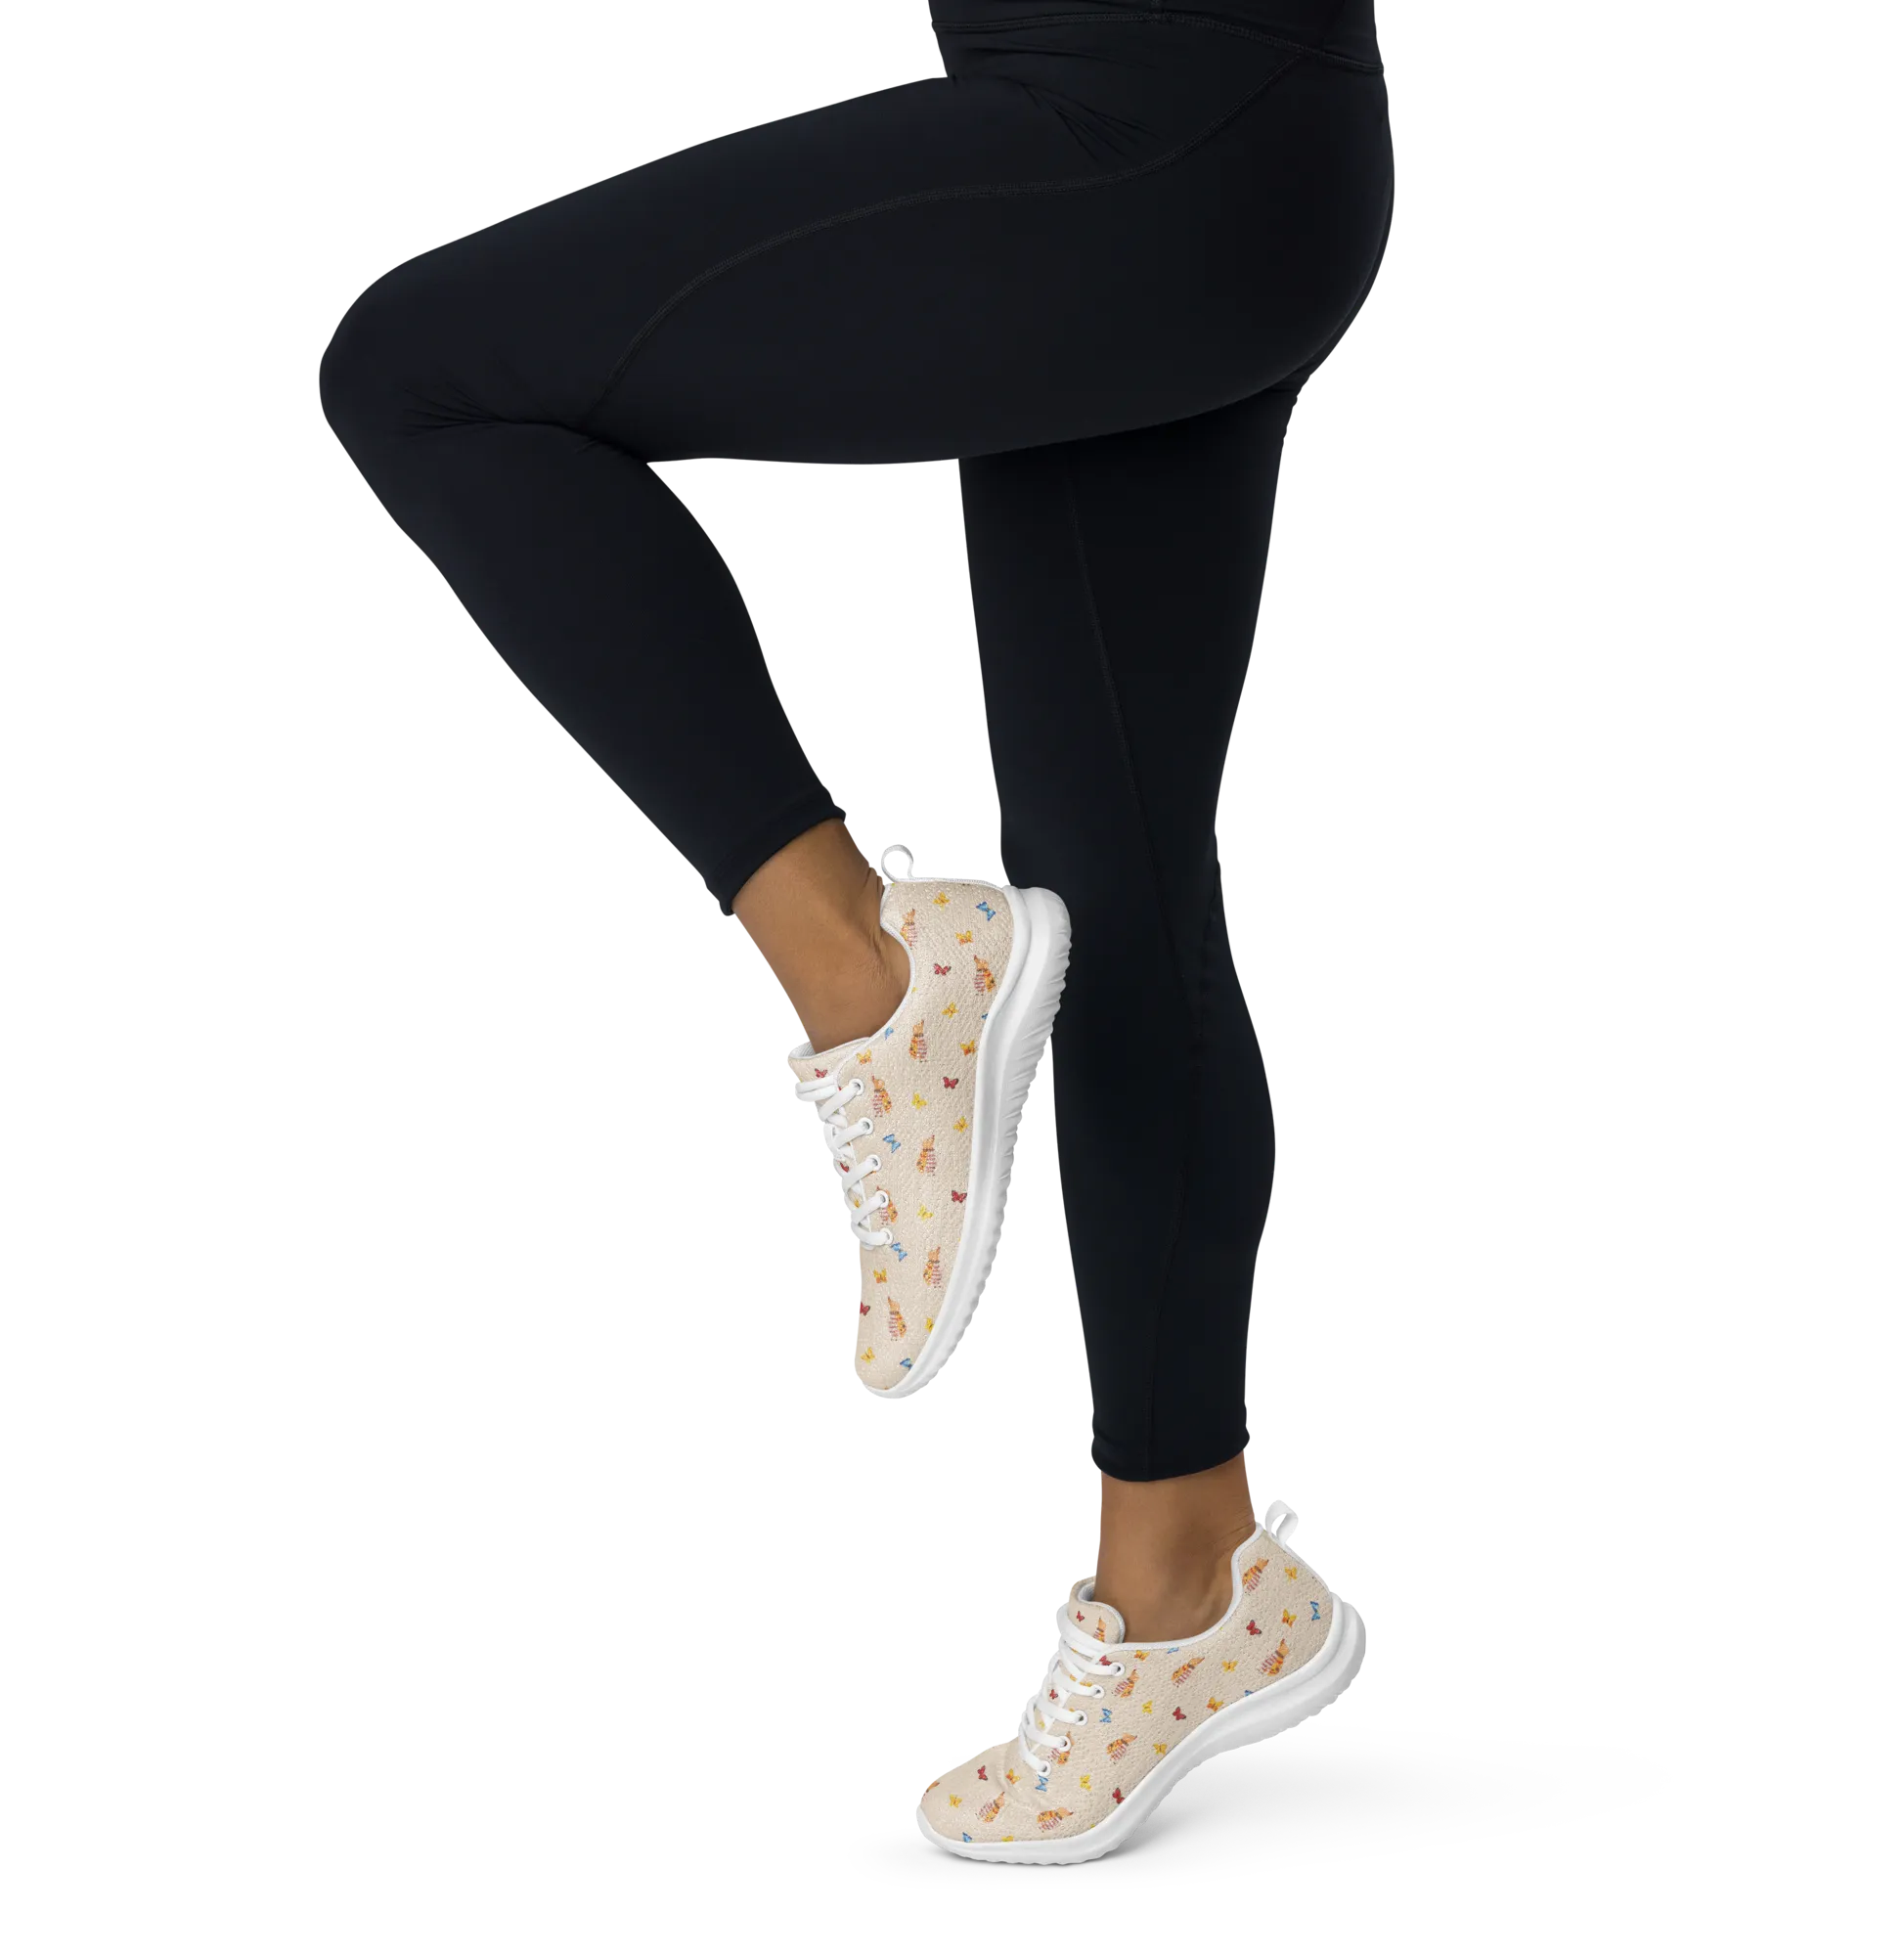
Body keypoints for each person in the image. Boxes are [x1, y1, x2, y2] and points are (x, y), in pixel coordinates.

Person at [313, 0, 1393, 1861]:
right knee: (1115, 883)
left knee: (426, 371)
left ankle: (871, 968)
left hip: (1144, 134)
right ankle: (1194, 1590)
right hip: (1203, 144)